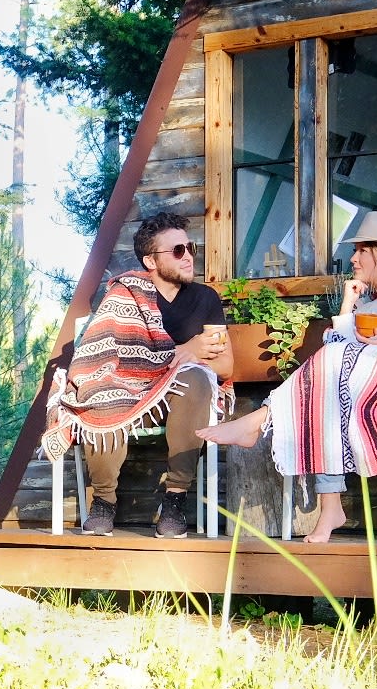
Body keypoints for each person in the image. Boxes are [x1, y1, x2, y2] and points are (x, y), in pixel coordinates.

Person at [198, 211, 377, 543]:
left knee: (331, 380)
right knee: (326, 398)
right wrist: (348, 305)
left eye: (361, 251)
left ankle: (259, 420)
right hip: (373, 386)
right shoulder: (370, 302)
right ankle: (330, 507)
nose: (353, 259)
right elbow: (336, 348)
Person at [42, 212, 234, 537]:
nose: (188, 256)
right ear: (151, 260)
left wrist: (188, 361)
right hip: (128, 392)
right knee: (100, 389)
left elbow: (226, 367)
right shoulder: (124, 296)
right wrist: (184, 350)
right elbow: (101, 360)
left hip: (178, 401)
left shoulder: (205, 299)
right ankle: (104, 501)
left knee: (197, 378)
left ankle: (174, 500)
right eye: (177, 251)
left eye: (190, 248)